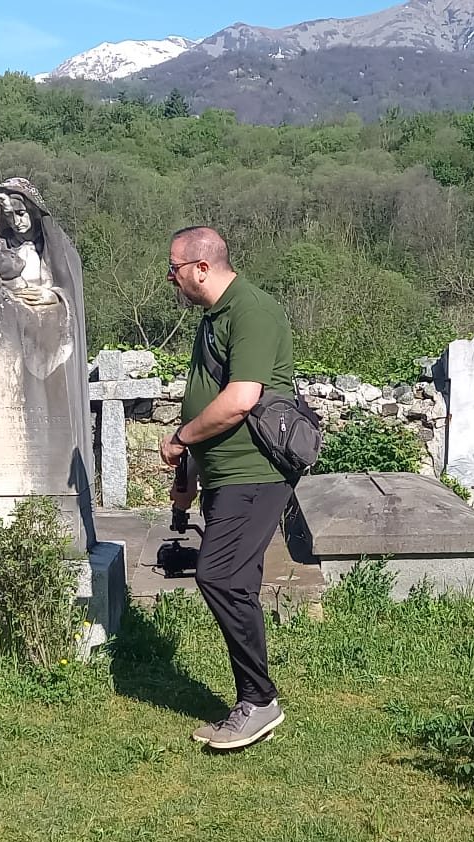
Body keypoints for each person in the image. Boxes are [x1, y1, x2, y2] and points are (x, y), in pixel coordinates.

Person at [158, 225, 297, 751]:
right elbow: (205, 399)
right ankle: (252, 699)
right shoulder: (212, 318)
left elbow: (240, 400)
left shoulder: (252, 311)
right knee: (236, 581)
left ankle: (259, 701)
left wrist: (179, 440)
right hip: (224, 474)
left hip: (255, 472)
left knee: (218, 576)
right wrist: (190, 477)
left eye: (173, 269)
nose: (170, 279)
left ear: (201, 267)